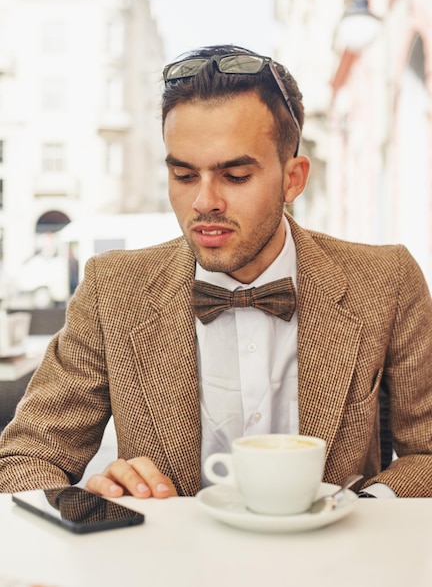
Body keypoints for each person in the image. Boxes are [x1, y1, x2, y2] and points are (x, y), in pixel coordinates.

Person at [0, 44, 431, 499]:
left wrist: (363, 506)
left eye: (235, 176)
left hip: (337, 562)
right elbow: (27, 458)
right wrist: (88, 505)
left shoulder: (386, 280)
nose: (204, 202)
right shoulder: (112, 290)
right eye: (184, 176)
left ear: (293, 178)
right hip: (171, 566)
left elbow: (426, 452)